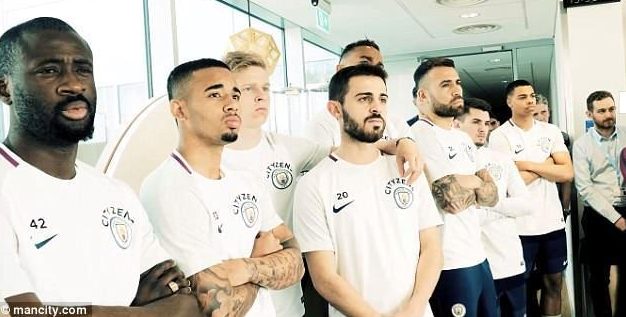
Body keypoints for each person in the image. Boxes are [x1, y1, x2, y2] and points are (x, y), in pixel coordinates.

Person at [0, 17, 201, 316]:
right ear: (5, 89)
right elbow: (23, 314)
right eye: (49, 70)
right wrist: (140, 309)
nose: (73, 84)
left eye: (83, 69)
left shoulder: (117, 195)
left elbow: (185, 305)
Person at [140, 58, 305, 316]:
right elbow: (216, 307)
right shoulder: (168, 187)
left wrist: (245, 269)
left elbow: (296, 261)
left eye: (235, 95)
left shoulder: (246, 181)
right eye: (216, 94)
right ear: (179, 110)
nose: (232, 105)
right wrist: (262, 264)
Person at [293, 64, 443, 317]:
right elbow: (324, 277)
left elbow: (431, 249)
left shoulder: (406, 168)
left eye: (382, 99)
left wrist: (416, 307)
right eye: (364, 99)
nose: (376, 107)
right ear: (335, 109)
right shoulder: (314, 184)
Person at [411, 57, 499, 317]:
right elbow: (449, 199)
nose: (456, 89)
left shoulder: (462, 138)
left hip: (478, 255)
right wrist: (476, 182)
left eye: (458, 82)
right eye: (446, 84)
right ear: (423, 95)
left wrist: (467, 182)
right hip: (448, 262)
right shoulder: (419, 134)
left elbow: (493, 196)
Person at [489, 79, 573, 317]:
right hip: (520, 228)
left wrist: (525, 165)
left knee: (553, 283)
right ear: (509, 101)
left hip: (552, 224)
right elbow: (507, 184)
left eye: (532, 96)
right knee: (521, 289)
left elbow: (567, 172)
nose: (530, 101)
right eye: (523, 97)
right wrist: (547, 165)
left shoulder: (551, 131)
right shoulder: (500, 136)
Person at [455, 97, 531, 317]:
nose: (483, 129)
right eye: (476, 122)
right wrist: (502, 209)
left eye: (486, 123)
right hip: (474, 264)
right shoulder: (451, 163)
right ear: (457, 124)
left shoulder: (501, 159)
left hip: (509, 259)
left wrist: (490, 203)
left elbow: (525, 204)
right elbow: (458, 216)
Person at [303, 39, 415, 148]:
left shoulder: (396, 124)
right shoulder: (320, 128)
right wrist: (386, 145)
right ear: (340, 70)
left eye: (379, 67)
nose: (373, 71)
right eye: (364, 64)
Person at [574, 90, 626, 317]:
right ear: (590, 113)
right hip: (599, 215)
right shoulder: (582, 145)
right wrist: (616, 218)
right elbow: (585, 187)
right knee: (598, 278)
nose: (608, 115)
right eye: (602, 111)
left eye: (611, 109)